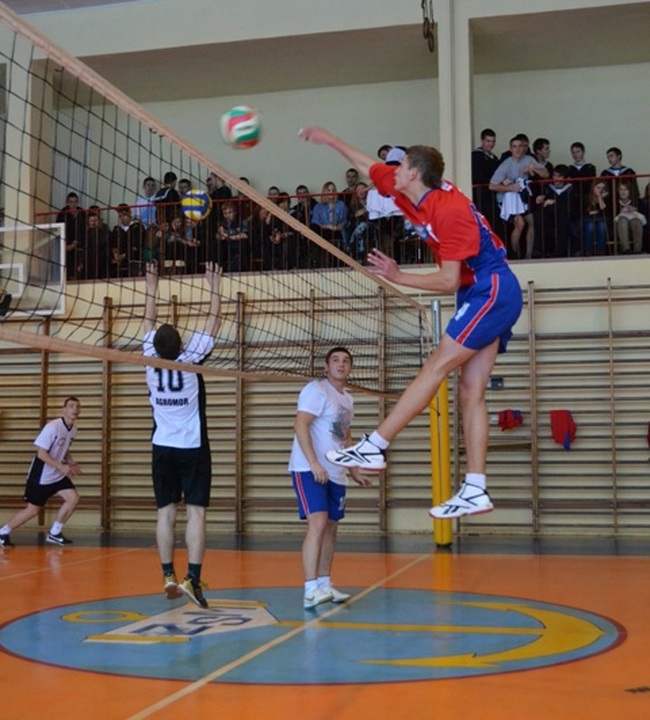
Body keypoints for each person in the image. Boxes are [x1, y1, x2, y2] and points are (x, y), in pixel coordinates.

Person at [299, 126, 523, 519]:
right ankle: (476, 488)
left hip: (491, 288)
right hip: (477, 291)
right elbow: (367, 166)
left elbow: (448, 280)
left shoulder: (449, 211)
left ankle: (375, 445)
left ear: (414, 173)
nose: (393, 169)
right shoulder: (405, 188)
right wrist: (330, 140)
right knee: (470, 391)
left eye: (400, 164)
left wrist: (399, 276)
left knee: (436, 365)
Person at [142, 260, 222, 608]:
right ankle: (192, 576)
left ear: (157, 347)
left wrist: (151, 285)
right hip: (192, 446)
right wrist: (214, 286)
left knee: (165, 511)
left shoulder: (149, 358)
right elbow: (214, 320)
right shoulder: (191, 358)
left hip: (162, 446)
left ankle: (167, 575)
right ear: (181, 344)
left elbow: (147, 322)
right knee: (196, 513)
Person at [288, 346, 371, 609]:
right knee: (318, 523)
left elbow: (344, 435)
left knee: (331, 527)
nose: (341, 364)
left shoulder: (347, 399)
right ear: (326, 366)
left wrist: (354, 470)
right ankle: (310, 588)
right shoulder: (316, 390)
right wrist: (314, 463)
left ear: (350, 368)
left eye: (346, 361)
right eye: (335, 360)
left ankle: (324, 584)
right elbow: (300, 424)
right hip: (309, 468)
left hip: (336, 472)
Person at [0, 396, 82, 547]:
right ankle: (3, 532)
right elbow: (41, 454)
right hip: (41, 475)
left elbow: (64, 448)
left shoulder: (73, 429)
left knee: (73, 498)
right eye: (71, 406)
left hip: (56, 475)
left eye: (77, 407)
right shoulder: (53, 427)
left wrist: (71, 462)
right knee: (33, 510)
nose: (75, 409)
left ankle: (55, 533)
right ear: (63, 410)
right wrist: (62, 467)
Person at [489, 136, 549, 259]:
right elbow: (492, 186)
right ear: (510, 149)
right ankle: (514, 255)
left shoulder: (528, 159)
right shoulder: (505, 165)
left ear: (524, 148)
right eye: (514, 146)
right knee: (520, 223)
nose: (517, 149)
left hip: (522, 199)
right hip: (508, 200)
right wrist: (510, 188)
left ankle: (528, 255)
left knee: (532, 221)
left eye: (520, 146)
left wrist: (534, 169)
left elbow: (546, 174)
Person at [471, 128, 500, 229]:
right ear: (482, 141)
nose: (491, 144)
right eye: (488, 141)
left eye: (493, 141)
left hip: (491, 194)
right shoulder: (476, 156)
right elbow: (478, 176)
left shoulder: (494, 157)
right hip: (480, 195)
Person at [614, 178, 645, 254]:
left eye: (626, 189)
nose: (623, 192)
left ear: (630, 191)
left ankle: (637, 251)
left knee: (636, 221)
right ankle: (626, 250)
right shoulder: (614, 202)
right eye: (621, 189)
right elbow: (611, 219)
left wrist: (636, 210)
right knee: (622, 219)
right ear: (618, 191)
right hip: (620, 229)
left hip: (635, 228)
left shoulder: (637, 201)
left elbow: (644, 220)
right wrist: (620, 212)